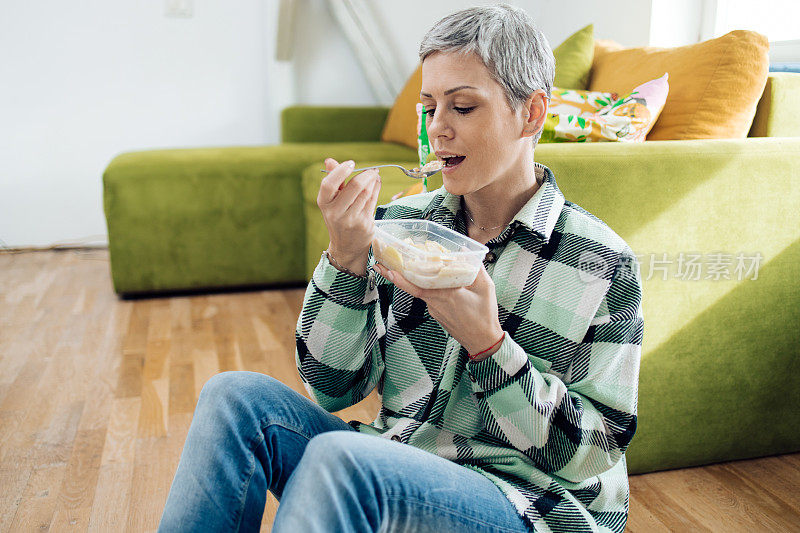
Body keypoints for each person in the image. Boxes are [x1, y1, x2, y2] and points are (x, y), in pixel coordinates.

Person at [158, 4, 643, 532]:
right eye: (429, 107)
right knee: (234, 399)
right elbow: (333, 388)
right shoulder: (402, 226)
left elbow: (593, 456)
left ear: (530, 114)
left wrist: (488, 346)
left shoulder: (602, 262)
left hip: (526, 505)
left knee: (341, 461)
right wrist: (346, 258)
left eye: (462, 107)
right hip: (392, 463)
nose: (438, 128)